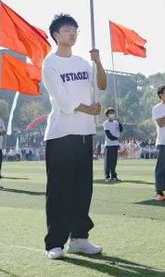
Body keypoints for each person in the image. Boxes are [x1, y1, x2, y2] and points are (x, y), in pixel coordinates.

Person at [42, 13, 107, 259]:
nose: (72, 33)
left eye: (75, 30)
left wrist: (98, 62)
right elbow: (61, 98)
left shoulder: (82, 63)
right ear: (56, 34)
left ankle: (79, 238)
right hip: (60, 134)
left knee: (82, 189)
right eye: (68, 29)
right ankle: (54, 243)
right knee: (59, 190)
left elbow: (101, 85)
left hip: (84, 133)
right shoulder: (50, 63)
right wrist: (88, 109)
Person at [102, 108, 123, 182]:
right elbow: (108, 135)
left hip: (115, 145)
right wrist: (116, 138)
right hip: (108, 145)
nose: (112, 114)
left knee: (114, 162)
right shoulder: (106, 123)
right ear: (107, 115)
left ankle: (114, 176)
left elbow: (121, 129)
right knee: (108, 162)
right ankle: (107, 176)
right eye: (110, 113)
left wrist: (119, 122)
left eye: (113, 113)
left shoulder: (116, 122)